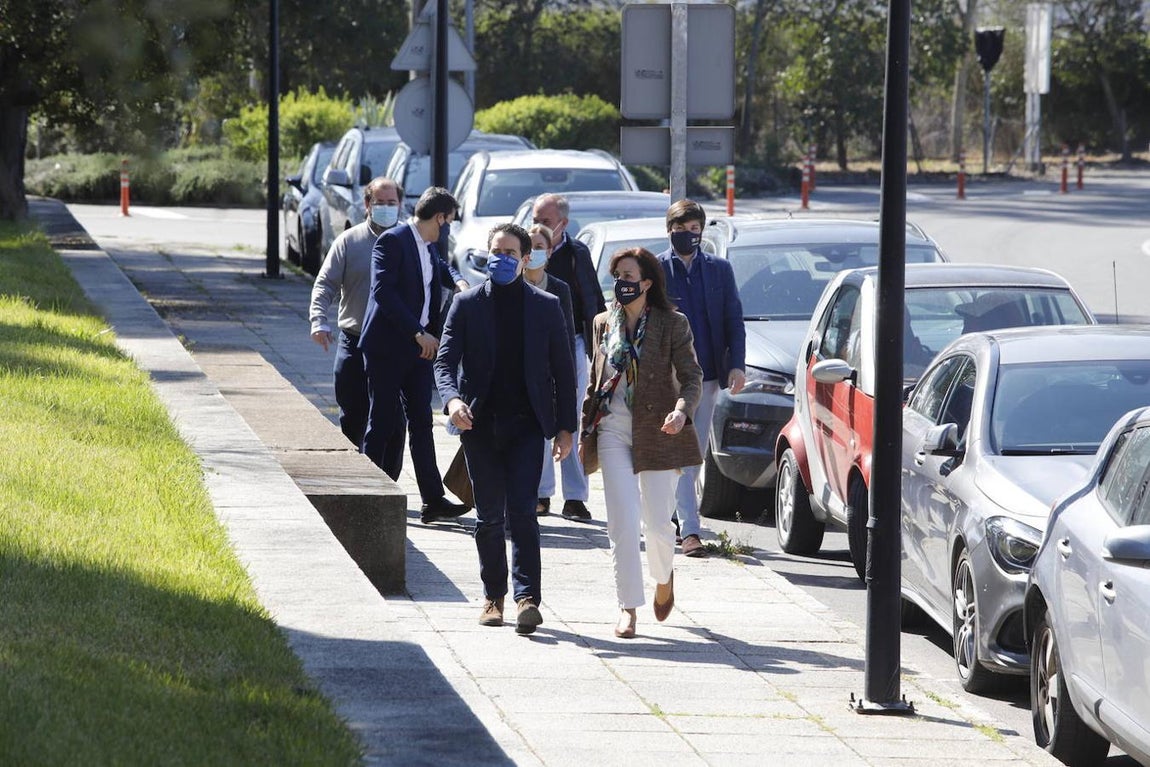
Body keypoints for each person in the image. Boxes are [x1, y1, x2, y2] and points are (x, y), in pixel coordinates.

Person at [435, 223, 577, 634]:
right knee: (489, 517)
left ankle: (527, 598)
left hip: (527, 425)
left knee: (524, 514)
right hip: (479, 424)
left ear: (526, 257)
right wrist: (452, 400)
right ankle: (493, 596)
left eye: (511, 253)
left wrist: (566, 428)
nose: (503, 259)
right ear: (487, 254)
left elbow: (564, 373)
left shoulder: (546, 306)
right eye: (497, 251)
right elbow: (444, 363)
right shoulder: (466, 304)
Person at [581, 247, 703, 639]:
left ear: (647, 282)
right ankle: (627, 607)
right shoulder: (603, 323)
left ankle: (664, 576)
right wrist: (583, 430)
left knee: (658, 525)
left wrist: (682, 411)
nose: (621, 283)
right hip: (614, 429)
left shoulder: (673, 323)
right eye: (617, 275)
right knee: (621, 518)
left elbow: (691, 377)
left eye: (629, 276)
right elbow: (595, 380)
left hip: (659, 431)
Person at [359, 186, 469, 524]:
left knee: (422, 423)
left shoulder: (427, 246)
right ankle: (367, 495)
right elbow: (383, 293)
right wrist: (417, 332)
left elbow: (441, 268)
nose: (447, 228)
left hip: (419, 351)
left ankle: (432, 501)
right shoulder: (393, 241)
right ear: (439, 217)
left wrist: (460, 282)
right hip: (388, 347)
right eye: (448, 221)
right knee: (383, 422)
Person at [656, 199, 746, 557]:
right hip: (668, 377)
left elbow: (733, 319)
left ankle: (679, 519)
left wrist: (737, 364)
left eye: (694, 230)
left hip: (707, 375)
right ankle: (689, 530)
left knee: (694, 453)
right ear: (669, 231)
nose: (688, 236)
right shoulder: (657, 269)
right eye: (681, 229)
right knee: (680, 450)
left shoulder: (719, 270)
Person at [309, 176, 408, 477]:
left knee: (394, 420)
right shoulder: (349, 242)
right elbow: (325, 284)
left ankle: (388, 485)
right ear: (367, 204)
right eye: (381, 203)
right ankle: (354, 480)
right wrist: (318, 320)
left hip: (395, 345)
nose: (387, 208)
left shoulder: (409, 242)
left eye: (392, 203)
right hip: (355, 341)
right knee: (353, 415)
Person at [533, 193, 603, 520]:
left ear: (563, 223)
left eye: (545, 222)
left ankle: (575, 497)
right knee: (539, 417)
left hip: (572, 344)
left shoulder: (576, 254)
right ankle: (541, 493)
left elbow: (593, 302)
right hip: (533, 346)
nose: (538, 227)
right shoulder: (524, 249)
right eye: (534, 219)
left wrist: (599, 349)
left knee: (572, 419)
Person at [524, 224, 579, 517]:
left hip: (547, 376)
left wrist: (564, 381)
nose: (534, 253)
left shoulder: (559, 289)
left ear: (549, 252)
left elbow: (567, 338)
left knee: (546, 435)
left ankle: (542, 494)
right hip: (517, 377)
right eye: (529, 246)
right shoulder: (510, 284)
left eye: (540, 247)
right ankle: (531, 494)